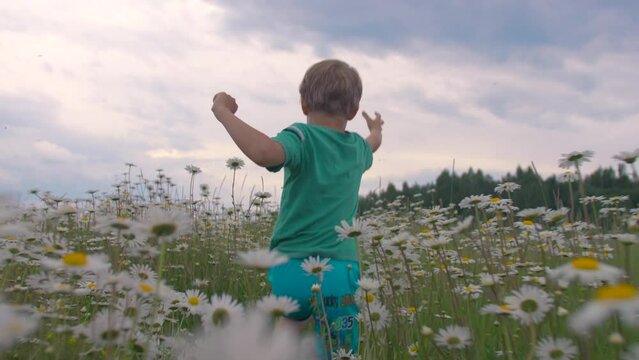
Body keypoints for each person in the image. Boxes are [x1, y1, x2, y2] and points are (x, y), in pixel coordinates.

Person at [211, 59, 383, 358]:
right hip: (339, 272)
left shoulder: (301, 138)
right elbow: (374, 142)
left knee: (286, 343)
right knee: (337, 350)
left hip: (289, 267)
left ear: (303, 104)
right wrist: (376, 127)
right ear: (353, 112)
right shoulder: (357, 148)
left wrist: (222, 111)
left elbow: (264, 153)